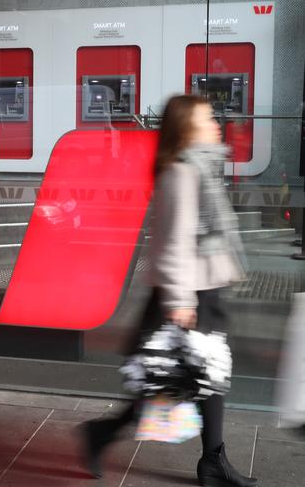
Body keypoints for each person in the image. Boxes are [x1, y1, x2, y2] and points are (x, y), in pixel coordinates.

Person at [82, 95, 257, 487]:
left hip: (202, 289)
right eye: (207, 117)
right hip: (185, 295)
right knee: (171, 380)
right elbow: (173, 242)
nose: (216, 122)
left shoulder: (202, 168)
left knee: (200, 378)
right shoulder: (181, 173)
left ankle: (212, 459)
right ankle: (106, 434)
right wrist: (180, 302)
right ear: (186, 128)